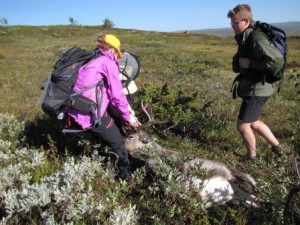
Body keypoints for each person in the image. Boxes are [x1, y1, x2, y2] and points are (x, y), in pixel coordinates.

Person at [67, 34, 140, 184]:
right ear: (113, 50)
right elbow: (117, 96)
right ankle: (126, 180)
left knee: (107, 130)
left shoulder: (91, 58)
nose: (117, 56)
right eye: (117, 53)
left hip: (72, 109)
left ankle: (100, 155)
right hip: (89, 114)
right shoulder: (108, 63)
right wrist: (128, 118)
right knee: (118, 143)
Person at [227, 4, 284, 160]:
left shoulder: (256, 37)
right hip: (256, 88)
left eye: (235, 23)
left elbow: (277, 61)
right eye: (231, 23)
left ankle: (252, 157)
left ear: (246, 21)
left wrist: (251, 64)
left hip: (257, 89)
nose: (232, 26)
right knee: (253, 122)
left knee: (243, 125)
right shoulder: (246, 37)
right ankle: (279, 149)